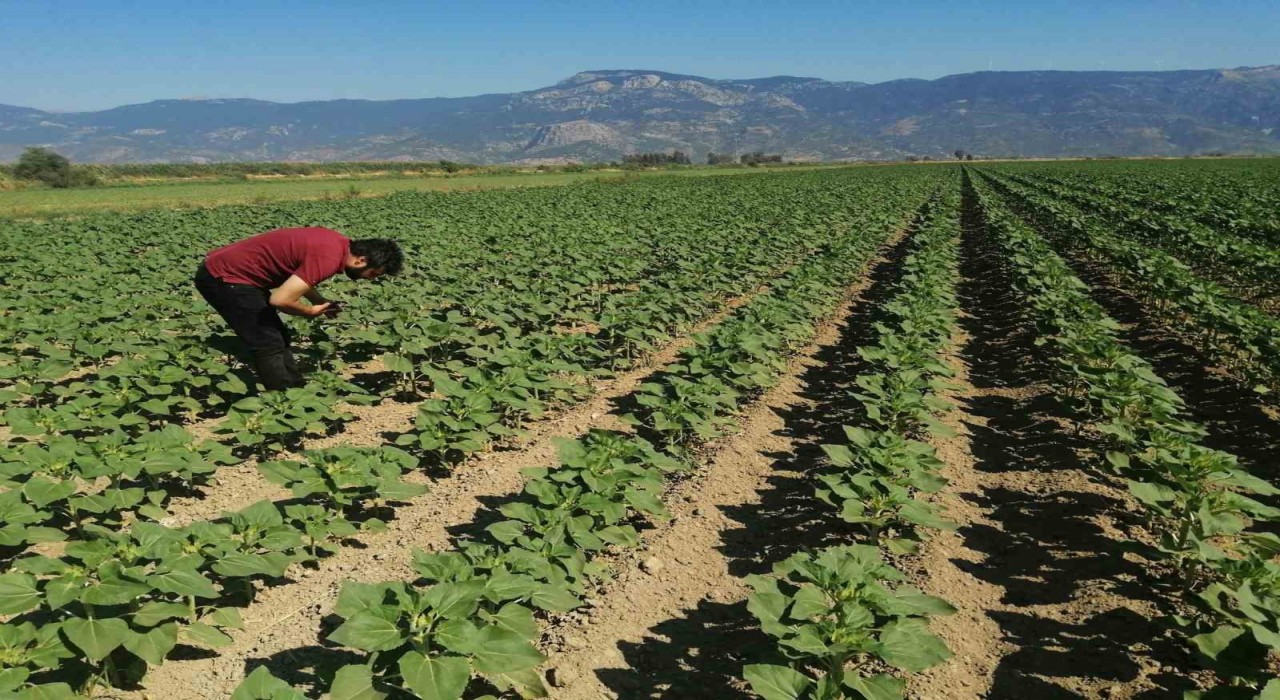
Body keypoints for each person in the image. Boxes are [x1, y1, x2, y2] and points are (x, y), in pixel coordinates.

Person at [194, 227, 403, 390]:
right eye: (373, 274)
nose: (369, 279)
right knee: (267, 343)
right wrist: (309, 312)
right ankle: (284, 399)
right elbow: (280, 299)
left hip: (237, 274)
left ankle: (296, 389)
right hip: (223, 277)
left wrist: (319, 301)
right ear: (361, 260)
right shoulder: (328, 258)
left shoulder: (336, 243)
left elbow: (299, 279)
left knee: (278, 337)